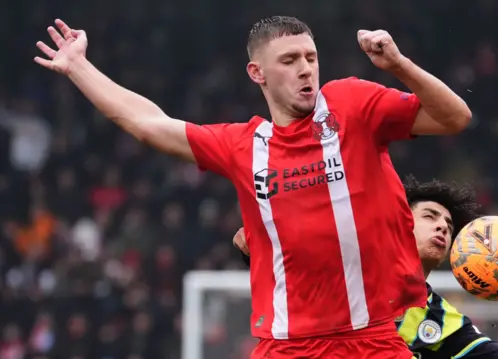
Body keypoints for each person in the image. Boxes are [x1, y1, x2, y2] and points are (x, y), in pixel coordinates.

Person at [35, 16, 471, 358]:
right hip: (287, 347)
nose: (306, 70)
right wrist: (78, 67)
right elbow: (149, 124)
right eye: (289, 60)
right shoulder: (243, 146)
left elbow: (455, 118)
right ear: (256, 72)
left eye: (311, 57)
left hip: (373, 341)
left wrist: (398, 65)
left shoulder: (352, 104)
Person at [234, 175, 498, 359]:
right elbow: (247, 241)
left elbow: (488, 354)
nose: (442, 227)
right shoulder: (349, 266)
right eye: (430, 216)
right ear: (400, 221)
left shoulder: (439, 316)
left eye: (449, 225)